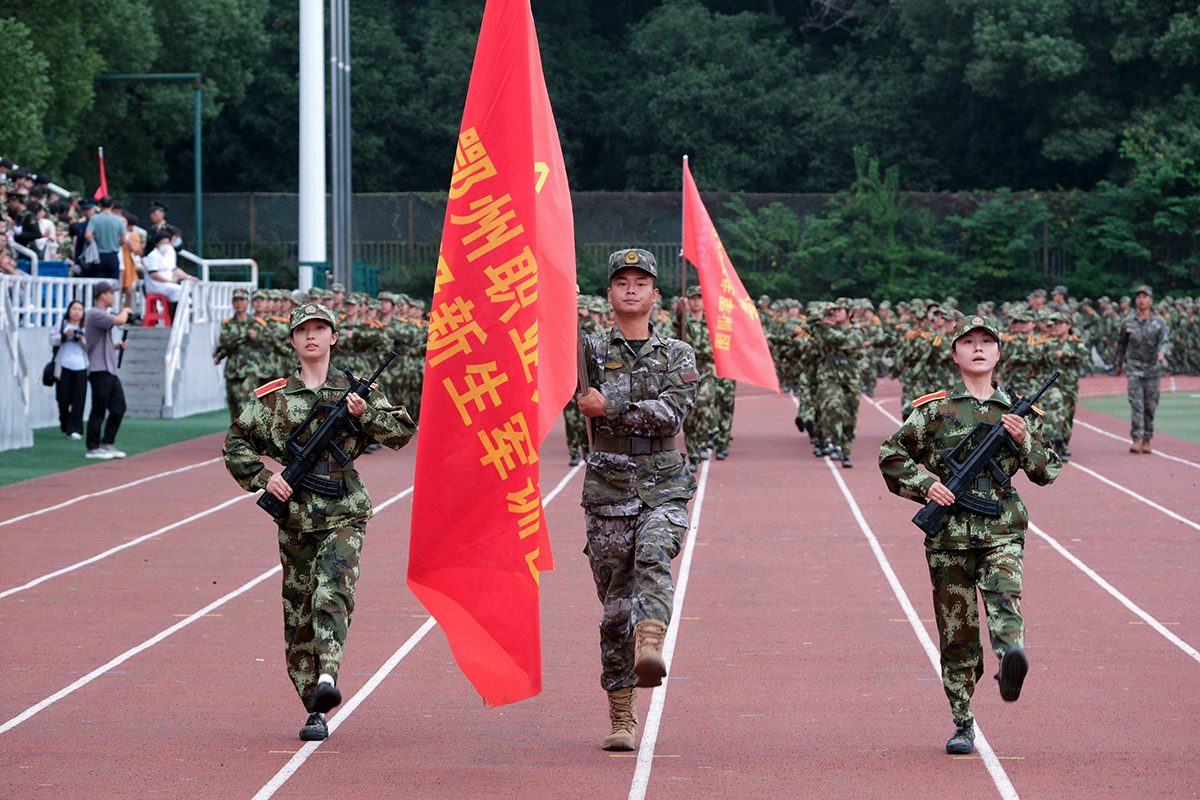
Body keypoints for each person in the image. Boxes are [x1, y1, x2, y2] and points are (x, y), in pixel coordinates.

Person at [222, 302, 415, 743]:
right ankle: (314, 705)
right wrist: (265, 479)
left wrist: (365, 415)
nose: (311, 335)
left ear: (334, 337)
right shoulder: (273, 398)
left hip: (344, 509)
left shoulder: (356, 391)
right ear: (292, 340)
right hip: (295, 515)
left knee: (333, 593)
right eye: (303, 329)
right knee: (298, 616)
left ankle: (328, 674)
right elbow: (235, 444)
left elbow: (402, 432)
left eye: (320, 328)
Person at [879, 315, 1062, 756]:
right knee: (958, 636)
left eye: (986, 341)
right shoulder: (934, 410)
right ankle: (963, 721)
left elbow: (1048, 471)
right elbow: (891, 455)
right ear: (955, 353)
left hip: (1001, 530)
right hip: (948, 536)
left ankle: (1011, 655)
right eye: (968, 342)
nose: (978, 348)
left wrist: (1024, 440)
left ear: (998, 352)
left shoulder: (1019, 413)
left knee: (1005, 596)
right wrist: (926, 487)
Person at [576, 248, 698, 752]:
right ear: (608, 294)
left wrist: (610, 406)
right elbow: (551, 375)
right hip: (608, 489)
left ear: (655, 294)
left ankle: (651, 637)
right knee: (613, 611)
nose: (631, 289)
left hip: (663, 483)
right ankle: (621, 714)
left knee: (654, 551)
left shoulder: (678, 353)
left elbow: (671, 413)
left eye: (640, 282)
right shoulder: (586, 351)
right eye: (622, 282)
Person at [1115, 284, 1170, 453]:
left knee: (1150, 405)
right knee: (1136, 404)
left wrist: (1162, 353)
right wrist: (1119, 363)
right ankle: (1137, 438)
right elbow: (1122, 344)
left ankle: (1147, 438)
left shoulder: (1159, 322)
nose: (1141, 300)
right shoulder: (1128, 322)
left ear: (1151, 300)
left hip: (1153, 369)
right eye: (1138, 297)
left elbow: (1164, 341)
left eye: (1145, 297)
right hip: (1134, 368)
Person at [83, 280, 132, 459]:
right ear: (103, 295)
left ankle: (107, 442)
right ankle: (92, 447)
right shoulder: (95, 313)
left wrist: (117, 346)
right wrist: (126, 310)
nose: (113, 296)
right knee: (99, 409)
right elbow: (120, 320)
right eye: (111, 293)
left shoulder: (100, 315)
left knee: (119, 407)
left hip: (109, 369)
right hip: (99, 369)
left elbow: (102, 342)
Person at [50, 300, 89, 439]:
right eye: (74, 309)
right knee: (63, 399)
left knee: (79, 399)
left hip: (81, 366)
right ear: (69, 310)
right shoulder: (62, 324)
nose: (77, 312)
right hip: (63, 366)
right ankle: (65, 426)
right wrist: (65, 335)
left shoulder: (86, 327)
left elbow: (91, 347)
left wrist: (81, 340)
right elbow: (52, 340)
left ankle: (75, 429)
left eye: (80, 309)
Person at [142, 227, 198, 316]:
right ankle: (178, 316)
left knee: (187, 287)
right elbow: (154, 275)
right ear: (157, 244)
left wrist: (189, 277)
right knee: (179, 290)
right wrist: (169, 281)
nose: (166, 246)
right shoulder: (152, 256)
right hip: (156, 286)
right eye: (163, 243)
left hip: (168, 284)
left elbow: (174, 269)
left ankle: (181, 314)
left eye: (167, 243)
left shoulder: (167, 254)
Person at [83, 196, 129, 281]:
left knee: (99, 283)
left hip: (99, 256)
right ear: (112, 206)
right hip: (113, 256)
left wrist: (93, 245)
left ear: (100, 205)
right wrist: (116, 244)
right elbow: (124, 239)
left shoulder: (94, 218)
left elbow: (87, 235)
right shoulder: (118, 220)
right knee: (113, 283)